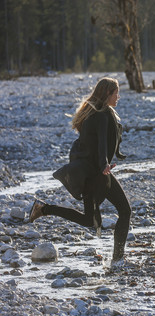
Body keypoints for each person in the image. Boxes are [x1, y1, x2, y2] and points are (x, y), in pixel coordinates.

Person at [28, 77, 131, 266]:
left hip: (93, 172)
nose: (119, 96)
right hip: (97, 173)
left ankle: (43, 209)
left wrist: (114, 157)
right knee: (124, 211)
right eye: (116, 92)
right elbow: (100, 144)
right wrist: (104, 165)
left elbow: (99, 143)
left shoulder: (96, 112)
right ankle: (117, 260)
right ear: (107, 93)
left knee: (89, 219)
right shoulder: (101, 114)